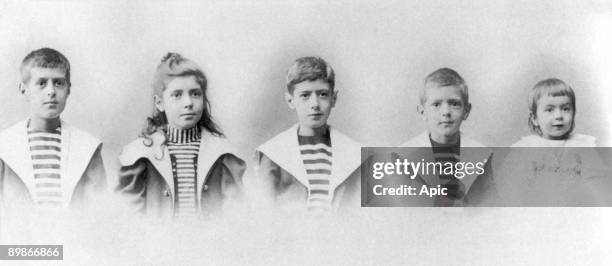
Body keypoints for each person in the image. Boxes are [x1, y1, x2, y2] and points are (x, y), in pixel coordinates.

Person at [116, 52, 245, 219]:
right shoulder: (139, 155)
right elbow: (129, 219)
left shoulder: (222, 154)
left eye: (195, 93)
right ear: (160, 103)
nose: (188, 103)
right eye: (177, 95)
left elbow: (236, 216)